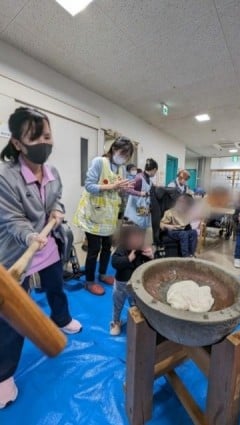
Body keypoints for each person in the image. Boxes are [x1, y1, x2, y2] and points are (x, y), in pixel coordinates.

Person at [0, 107, 82, 409]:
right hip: (16, 250)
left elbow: (55, 198)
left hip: (48, 244)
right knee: (13, 317)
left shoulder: (53, 173)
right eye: (35, 138)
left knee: (55, 286)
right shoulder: (4, 177)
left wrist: (56, 211)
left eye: (47, 136)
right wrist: (29, 236)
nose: (44, 143)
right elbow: (11, 219)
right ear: (18, 143)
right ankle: (3, 376)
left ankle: (61, 318)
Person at [73, 137, 134, 296]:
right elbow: (89, 186)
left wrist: (122, 189)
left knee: (107, 247)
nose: (124, 158)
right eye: (123, 153)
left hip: (109, 216)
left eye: (127, 156)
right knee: (94, 250)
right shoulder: (99, 162)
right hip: (94, 214)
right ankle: (89, 281)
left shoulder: (121, 168)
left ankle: (103, 274)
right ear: (114, 149)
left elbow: (116, 190)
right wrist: (113, 186)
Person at [110, 223, 154, 335]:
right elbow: (114, 262)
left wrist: (151, 256)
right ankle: (115, 322)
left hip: (135, 287)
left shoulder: (142, 250)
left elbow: (149, 267)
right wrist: (128, 259)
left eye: (139, 238)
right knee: (117, 305)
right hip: (121, 285)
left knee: (136, 305)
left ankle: (137, 322)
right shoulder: (121, 249)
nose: (136, 241)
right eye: (132, 238)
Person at [124, 158, 158, 229]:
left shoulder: (149, 180)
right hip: (135, 209)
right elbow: (127, 189)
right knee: (136, 231)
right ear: (154, 170)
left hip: (142, 208)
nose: (155, 174)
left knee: (142, 227)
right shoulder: (139, 177)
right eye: (156, 172)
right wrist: (140, 193)